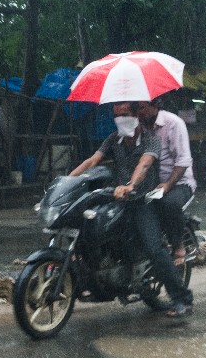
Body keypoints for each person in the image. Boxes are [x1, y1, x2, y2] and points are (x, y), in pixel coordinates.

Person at [69, 101, 194, 318]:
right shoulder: (113, 139)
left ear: (137, 114)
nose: (120, 120)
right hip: (117, 200)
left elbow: (144, 165)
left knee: (154, 247)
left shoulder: (151, 139)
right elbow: (93, 160)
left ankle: (182, 298)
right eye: (116, 115)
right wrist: (66, 181)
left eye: (125, 114)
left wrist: (130, 186)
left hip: (142, 200)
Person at [137, 98, 195, 266]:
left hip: (179, 183)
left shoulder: (173, 123)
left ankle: (178, 245)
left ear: (155, 105)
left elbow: (183, 161)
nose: (139, 113)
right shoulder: (139, 128)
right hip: (150, 184)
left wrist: (168, 185)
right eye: (137, 109)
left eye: (142, 108)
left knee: (168, 203)